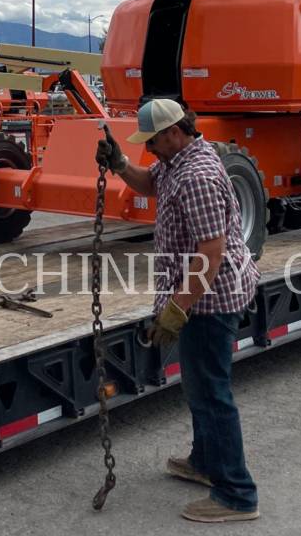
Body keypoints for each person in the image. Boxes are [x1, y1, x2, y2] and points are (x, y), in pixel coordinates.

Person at [95, 97, 260, 524]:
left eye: (152, 140)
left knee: (211, 395)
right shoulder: (175, 164)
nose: (148, 148)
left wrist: (176, 311)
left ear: (174, 132)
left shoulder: (198, 176)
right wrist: (119, 164)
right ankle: (205, 463)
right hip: (195, 297)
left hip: (208, 300)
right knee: (200, 387)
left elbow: (211, 252)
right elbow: (149, 183)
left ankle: (237, 495)